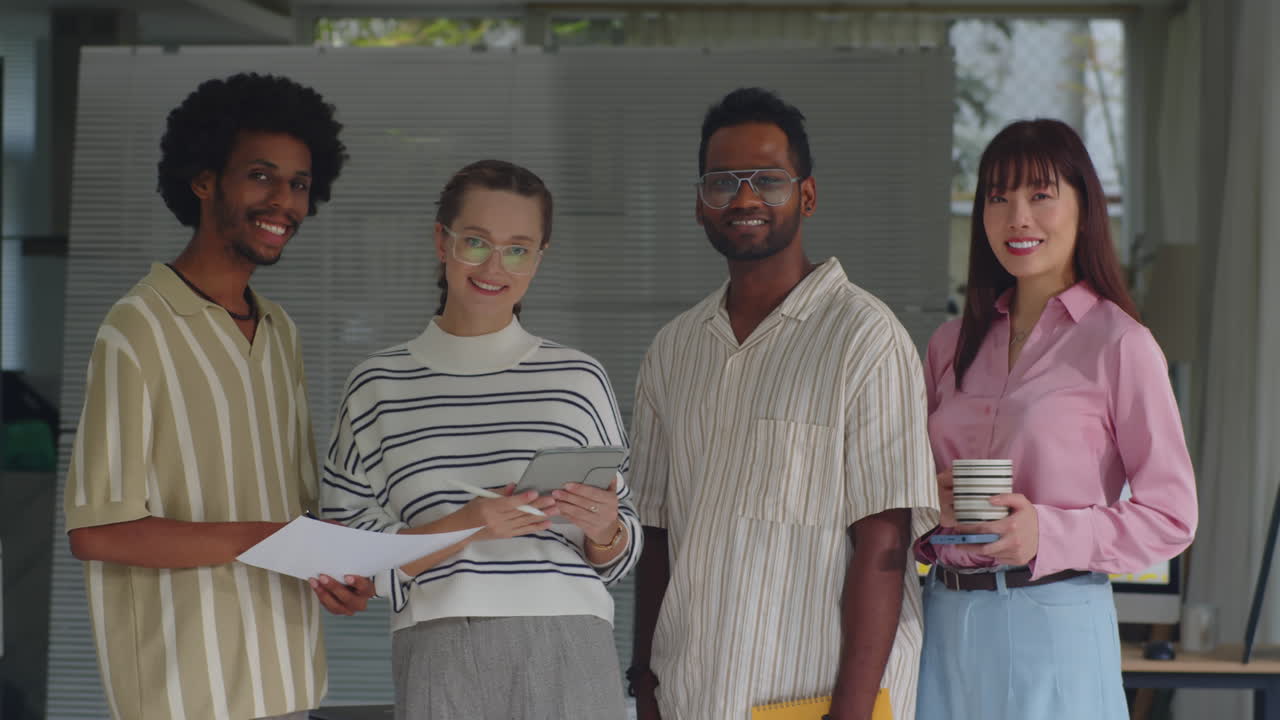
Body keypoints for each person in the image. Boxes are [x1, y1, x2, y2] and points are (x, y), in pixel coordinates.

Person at [65, 72, 372, 720]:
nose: (284, 201)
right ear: (203, 178)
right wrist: (274, 537)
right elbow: (99, 532)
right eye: (262, 176)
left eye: (299, 184)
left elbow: (294, 514)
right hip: (185, 695)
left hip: (289, 681)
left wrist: (332, 568)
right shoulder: (137, 327)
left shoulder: (280, 330)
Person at [627, 87, 939, 720]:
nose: (744, 199)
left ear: (808, 195)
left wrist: (848, 714)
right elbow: (656, 534)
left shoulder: (865, 337)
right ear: (698, 204)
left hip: (815, 696)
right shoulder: (674, 349)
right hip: (694, 695)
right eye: (722, 183)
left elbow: (885, 537)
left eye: (768, 180)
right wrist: (646, 684)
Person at [320, 159, 642, 719]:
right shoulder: (377, 385)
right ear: (441, 240)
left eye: (518, 248)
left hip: (573, 646)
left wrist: (604, 529)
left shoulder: (578, 379)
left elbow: (622, 549)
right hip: (439, 649)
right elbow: (346, 553)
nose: (495, 265)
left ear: (539, 258)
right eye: (476, 242)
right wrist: (470, 523)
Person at [913, 118, 1198, 719]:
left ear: (1084, 206)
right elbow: (901, 494)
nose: (1017, 216)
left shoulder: (1119, 344)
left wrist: (1049, 533)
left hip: (1055, 625)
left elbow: (1172, 517)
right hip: (941, 624)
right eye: (998, 197)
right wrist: (923, 511)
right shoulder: (947, 345)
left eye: (1040, 194)